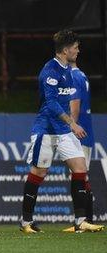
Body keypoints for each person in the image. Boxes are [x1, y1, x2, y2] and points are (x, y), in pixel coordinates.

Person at [20, 30, 103, 233]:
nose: (78, 50)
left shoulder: (68, 71)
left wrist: (69, 125)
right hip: (46, 129)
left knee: (80, 169)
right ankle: (26, 222)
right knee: (39, 172)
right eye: (75, 47)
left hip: (64, 131)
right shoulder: (49, 71)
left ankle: (80, 221)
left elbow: (69, 101)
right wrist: (72, 123)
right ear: (66, 50)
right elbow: (50, 104)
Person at [62, 62, 96, 232]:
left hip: (79, 133)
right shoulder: (81, 74)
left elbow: (74, 105)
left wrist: (71, 127)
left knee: (79, 176)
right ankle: (86, 220)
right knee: (81, 176)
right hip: (85, 131)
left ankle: (84, 221)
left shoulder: (73, 76)